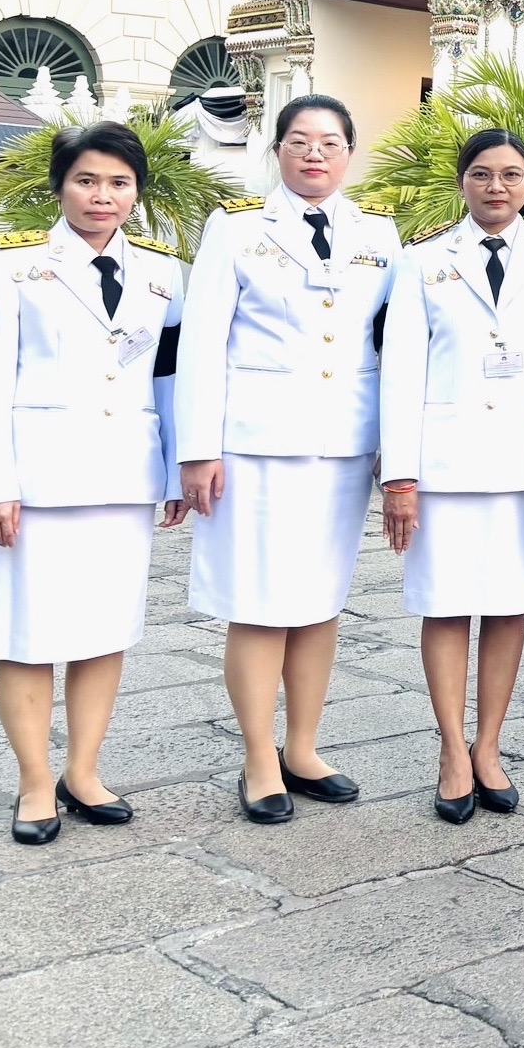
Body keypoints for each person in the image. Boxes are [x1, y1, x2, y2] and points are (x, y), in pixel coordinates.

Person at [177, 95, 401, 824]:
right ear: (277, 151)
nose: (314, 154)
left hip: (343, 444)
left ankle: (302, 747)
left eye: (330, 142)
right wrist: (197, 450)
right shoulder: (237, 226)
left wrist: (395, 448)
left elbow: (394, 345)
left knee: (318, 602)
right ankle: (257, 757)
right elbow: (202, 341)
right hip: (256, 445)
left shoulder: (379, 233)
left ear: (349, 153)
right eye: (300, 141)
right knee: (258, 601)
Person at [0, 122, 186, 844]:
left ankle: (83, 771)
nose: (102, 196)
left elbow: (168, 378)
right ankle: (35, 783)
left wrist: (175, 468)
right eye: (86, 180)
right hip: (39, 480)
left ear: (136, 192)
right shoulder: (14, 264)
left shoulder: (163, 274)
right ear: (60, 185)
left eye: (119, 183)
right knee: (26, 634)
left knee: (104, 629)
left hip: (125, 476)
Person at [380, 130, 524, 823]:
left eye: (512, 175)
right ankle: (450, 749)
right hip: (444, 465)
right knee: (444, 604)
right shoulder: (422, 260)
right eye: (483, 174)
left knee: (507, 604)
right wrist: (399, 477)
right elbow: (401, 371)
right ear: (462, 183)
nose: (497, 187)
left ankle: (489, 745)